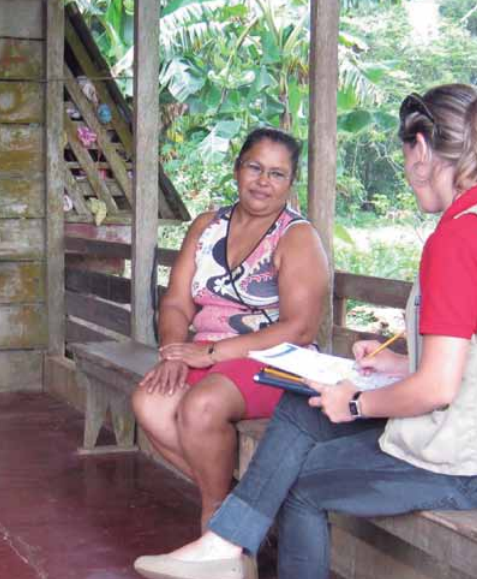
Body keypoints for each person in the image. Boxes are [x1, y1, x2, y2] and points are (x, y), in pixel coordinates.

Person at [133, 83, 477, 579]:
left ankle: (227, 543)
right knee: (303, 404)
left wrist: (356, 403)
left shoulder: (457, 240)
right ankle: (225, 546)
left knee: (300, 484)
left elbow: (438, 388)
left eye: (404, 155)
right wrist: (398, 364)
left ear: (421, 149)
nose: (406, 172)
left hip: (471, 461)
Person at [132, 128, 330, 532]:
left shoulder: (297, 236)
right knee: (149, 401)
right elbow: (175, 303)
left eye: (277, 174)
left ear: (290, 183)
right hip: (204, 350)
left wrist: (211, 354)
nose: (263, 181)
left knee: (200, 407)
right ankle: (233, 515)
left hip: (274, 358)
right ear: (237, 169)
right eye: (255, 167)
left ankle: (214, 525)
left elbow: (302, 327)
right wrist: (172, 351)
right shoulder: (208, 226)